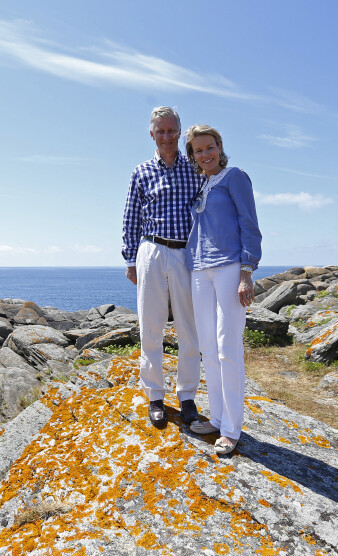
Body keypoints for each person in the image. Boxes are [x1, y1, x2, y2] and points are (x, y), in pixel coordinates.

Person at [184, 124, 262, 455]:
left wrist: (247, 271)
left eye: (210, 147)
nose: (205, 154)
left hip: (230, 267)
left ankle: (231, 429)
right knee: (207, 348)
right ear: (193, 155)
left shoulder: (235, 177)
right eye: (198, 150)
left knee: (228, 348)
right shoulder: (199, 183)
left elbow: (249, 224)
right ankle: (216, 418)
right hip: (199, 271)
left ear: (219, 146)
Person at [121, 106, 202, 427]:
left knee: (189, 329)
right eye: (161, 131)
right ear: (152, 134)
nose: (167, 136)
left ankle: (188, 398)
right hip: (151, 250)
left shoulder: (194, 169)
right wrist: (130, 260)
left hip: (186, 254)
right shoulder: (141, 171)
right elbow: (131, 218)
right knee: (150, 328)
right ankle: (155, 395)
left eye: (172, 130)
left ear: (180, 132)